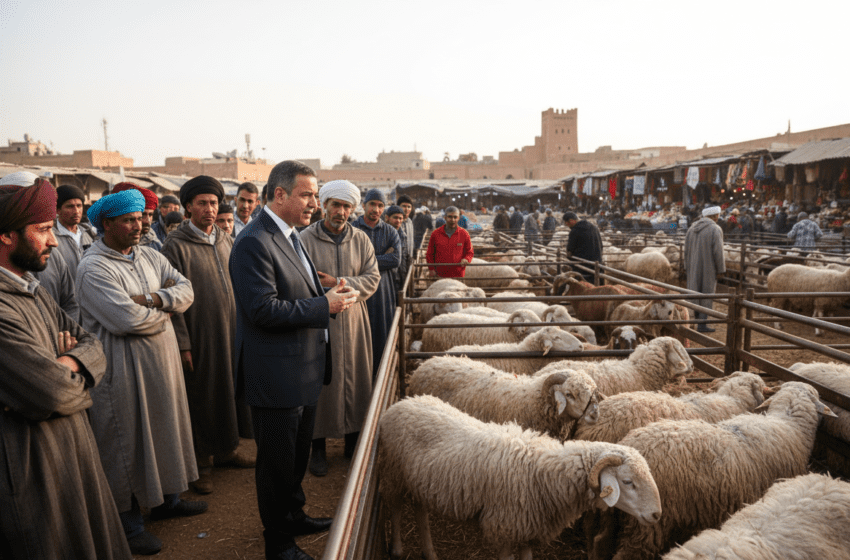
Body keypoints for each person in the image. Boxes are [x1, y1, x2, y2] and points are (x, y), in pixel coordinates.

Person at [229, 161, 358, 560]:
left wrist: (328, 289)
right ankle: (280, 543)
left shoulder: (288, 234)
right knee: (276, 466)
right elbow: (263, 309)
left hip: (301, 369)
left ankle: (294, 515)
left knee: (296, 456)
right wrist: (324, 306)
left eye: (315, 196)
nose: (314, 204)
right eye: (307, 195)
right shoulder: (253, 242)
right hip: (276, 375)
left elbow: (296, 284)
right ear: (280, 194)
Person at [0, 178, 132, 560]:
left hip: (72, 448)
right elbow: (52, 393)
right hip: (31, 464)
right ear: (7, 235)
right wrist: (69, 376)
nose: (54, 241)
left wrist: (68, 362)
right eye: (43, 230)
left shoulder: (32, 288)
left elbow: (93, 345)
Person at [76, 189, 204, 555]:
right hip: (122, 371)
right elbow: (126, 320)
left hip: (162, 366)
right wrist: (166, 313)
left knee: (165, 431)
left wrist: (154, 299)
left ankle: (168, 501)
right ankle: (129, 526)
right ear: (107, 225)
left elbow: (186, 290)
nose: (139, 225)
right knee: (125, 444)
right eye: (129, 220)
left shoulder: (150, 254)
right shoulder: (93, 268)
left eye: (140, 218)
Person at [160, 176, 255, 497]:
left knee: (228, 391)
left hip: (231, 332)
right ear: (188, 207)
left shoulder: (226, 239)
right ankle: (201, 464)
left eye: (213, 203)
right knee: (202, 396)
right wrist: (183, 343)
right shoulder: (175, 245)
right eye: (202, 203)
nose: (209, 209)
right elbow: (170, 299)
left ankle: (227, 450)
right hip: (199, 335)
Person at [300, 180, 380, 477]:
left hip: (354, 322)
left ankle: (352, 442)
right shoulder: (305, 239)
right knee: (321, 382)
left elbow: (372, 278)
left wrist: (339, 282)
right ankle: (318, 447)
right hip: (320, 323)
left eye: (347, 207)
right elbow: (298, 281)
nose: (341, 212)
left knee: (356, 378)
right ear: (324, 205)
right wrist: (323, 298)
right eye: (336, 205)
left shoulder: (361, 240)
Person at [353, 189, 401, 378]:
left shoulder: (390, 231)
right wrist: (382, 257)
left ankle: (380, 377)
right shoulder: (352, 228)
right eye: (372, 204)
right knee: (357, 335)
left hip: (383, 292)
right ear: (364, 205)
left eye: (380, 205)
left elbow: (395, 259)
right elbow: (350, 261)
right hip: (357, 292)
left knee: (382, 334)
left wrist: (364, 261)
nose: (376, 209)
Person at [684, 206, 726, 333]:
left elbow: (686, 250)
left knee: (694, 292)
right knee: (707, 294)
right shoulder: (715, 229)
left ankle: (696, 319)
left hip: (693, 266)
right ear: (715, 216)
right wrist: (721, 270)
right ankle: (702, 324)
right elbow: (718, 252)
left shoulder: (691, 229)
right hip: (709, 268)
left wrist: (687, 267)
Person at [53, 182, 96, 275]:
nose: (76, 211)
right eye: (70, 206)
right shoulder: (51, 239)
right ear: (57, 210)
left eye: (79, 206)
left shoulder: (90, 234)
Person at [425, 205, 473, 279]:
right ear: (445, 217)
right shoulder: (436, 234)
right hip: (440, 275)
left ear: (458, 218)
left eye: (455, 217)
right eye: (450, 217)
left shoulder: (464, 234)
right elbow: (430, 253)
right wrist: (431, 269)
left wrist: (466, 259)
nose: (453, 220)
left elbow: (469, 252)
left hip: (458, 275)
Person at [112, 182, 162, 251]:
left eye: (150, 215)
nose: (147, 221)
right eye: (143, 215)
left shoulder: (154, 244)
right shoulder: (105, 241)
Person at [564, 211, 603, 283]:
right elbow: (601, 245)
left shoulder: (574, 231)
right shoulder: (594, 227)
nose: (568, 226)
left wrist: (569, 256)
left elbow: (570, 250)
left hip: (583, 268)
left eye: (567, 224)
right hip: (597, 266)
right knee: (598, 287)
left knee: (583, 287)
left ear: (571, 221)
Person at [384, 204, 410, 289]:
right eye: (395, 217)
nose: (398, 221)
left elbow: (404, 257)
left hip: (399, 276)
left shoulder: (403, 235)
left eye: (400, 218)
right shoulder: (382, 234)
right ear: (387, 218)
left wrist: (404, 276)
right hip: (385, 276)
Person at [396, 194, 415, 261]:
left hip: (409, 259)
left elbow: (411, 241)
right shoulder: (395, 222)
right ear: (398, 207)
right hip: (398, 260)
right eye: (404, 206)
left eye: (409, 207)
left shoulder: (410, 222)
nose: (406, 209)